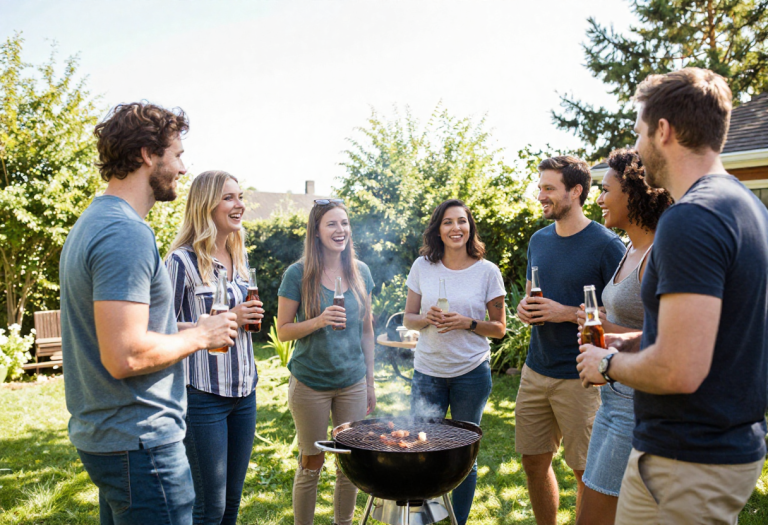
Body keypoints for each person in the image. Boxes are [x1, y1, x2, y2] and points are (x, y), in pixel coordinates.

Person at [577, 68, 768, 525]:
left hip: (687, 461)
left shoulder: (690, 218)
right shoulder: (749, 207)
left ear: (663, 131)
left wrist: (607, 364)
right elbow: (709, 335)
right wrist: (628, 341)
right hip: (716, 452)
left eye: (641, 132)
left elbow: (680, 369)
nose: (638, 148)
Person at [60, 102, 238, 525]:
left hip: (114, 439)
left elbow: (124, 332)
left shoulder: (94, 222)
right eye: (176, 155)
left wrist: (187, 327)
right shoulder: (125, 232)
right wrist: (202, 337)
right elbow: (126, 355)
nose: (182, 168)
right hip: (142, 444)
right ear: (146, 154)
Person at [515, 155, 625, 524]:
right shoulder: (538, 240)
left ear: (576, 191)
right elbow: (532, 296)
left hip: (581, 376)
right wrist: (525, 308)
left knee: (586, 474)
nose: (541, 195)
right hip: (535, 370)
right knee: (532, 462)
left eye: (549, 188)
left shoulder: (607, 245)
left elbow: (620, 319)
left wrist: (564, 312)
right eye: (540, 187)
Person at [574, 149, 672, 525]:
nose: (598, 199)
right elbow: (625, 314)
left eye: (604, 189)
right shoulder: (629, 247)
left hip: (637, 405)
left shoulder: (658, 254)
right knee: (594, 507)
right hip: (611, 399)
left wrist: (605, 336)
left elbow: (669, 337)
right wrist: (597, 321)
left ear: (633, 193)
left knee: (595, 517)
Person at [165, 171, 264, 524]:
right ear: (207, 205)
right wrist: (229, 317)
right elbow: (157, 326)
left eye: (240, 197)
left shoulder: (240, 255)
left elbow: (243, 321)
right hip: (203, 396)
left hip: (244, 393)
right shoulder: (181, 261)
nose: (239, 205)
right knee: (210, 507)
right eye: (229, 198)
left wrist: (246, 317)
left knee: (232, 503)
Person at [403, 199, 507, 524]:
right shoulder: (423, 266)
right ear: (438, 229)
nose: (455, 228)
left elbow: (500, 329)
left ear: (470, 227)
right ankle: (426, 519)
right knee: (422, 452)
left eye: (461, 221)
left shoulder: (487, 271)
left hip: (471, 374)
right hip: (427, 372)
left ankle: (456, 520)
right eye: (448, 222)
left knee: (464, 455)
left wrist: (468, 323)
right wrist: (425, 318)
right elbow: (408, 319)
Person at [275, 199, 375, 525]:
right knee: (311, 461)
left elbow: (367, 329)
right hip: (311, 384)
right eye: (331, 224)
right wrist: (319, 320)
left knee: (349, 460)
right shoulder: (298, 273)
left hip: (353, 382)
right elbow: (284, 330)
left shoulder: (360, 272)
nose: (340, 230)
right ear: (316, 232)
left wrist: (370, 382)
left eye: (344, 223)